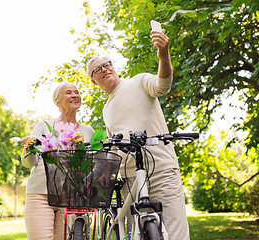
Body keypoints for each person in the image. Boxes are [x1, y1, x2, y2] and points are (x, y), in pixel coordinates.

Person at [86, 29, 190, 240]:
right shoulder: (106, 109)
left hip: (161, 168)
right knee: (139, 232)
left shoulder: (139, 81)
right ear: (93, 81)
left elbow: (163, 85)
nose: (105, 69)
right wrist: (104, 174)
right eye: (98, 69)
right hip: (131, 178)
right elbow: (114, 147)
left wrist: (163, 54)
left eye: (107, 64)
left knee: (176, 230)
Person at [21, 82, 94, 240]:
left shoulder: (88, 132)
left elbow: (90, 166)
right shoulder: (44, 126)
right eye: (68, 92)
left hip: (71, 198)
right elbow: (29, 163)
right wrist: (29, 147)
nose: (74, 95)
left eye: (76, 92)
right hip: (41, 195)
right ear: (57, 101)